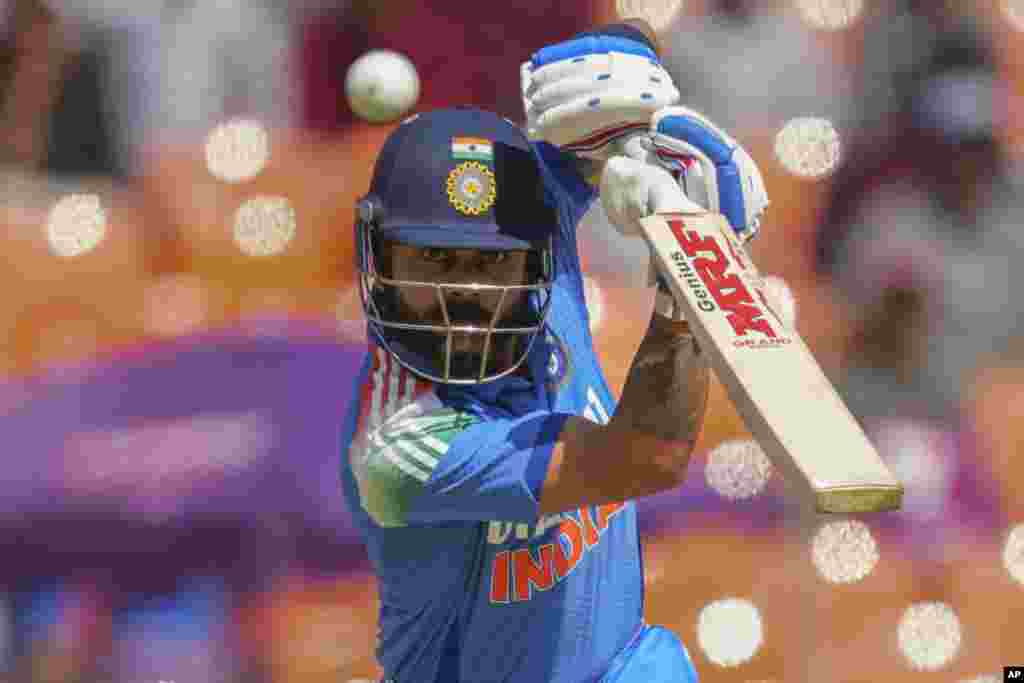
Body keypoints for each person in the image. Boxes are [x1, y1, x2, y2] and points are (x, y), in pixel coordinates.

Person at [340, 19, 769, 682]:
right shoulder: (397, 446)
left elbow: (625, 67)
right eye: (433, 261)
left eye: (490, 266)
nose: (465, 300)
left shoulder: (541, 221)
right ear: (381, 258)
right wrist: (686, 282)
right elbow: (646, 456)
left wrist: (636, 124)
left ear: (543, 255)